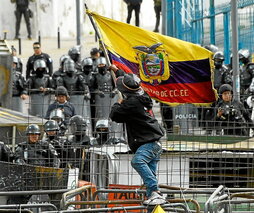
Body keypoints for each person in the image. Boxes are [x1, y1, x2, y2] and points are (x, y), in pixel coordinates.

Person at [109, 65, 166, 205]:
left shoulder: (131, 104)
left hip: (147, 143)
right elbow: (129, 80)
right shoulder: (142, 95)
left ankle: (156, 192)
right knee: (150, 175)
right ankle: (153, 198)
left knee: (137, 162)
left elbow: (115, 115)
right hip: (155, 142)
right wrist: (117, 71)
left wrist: (118, 103)